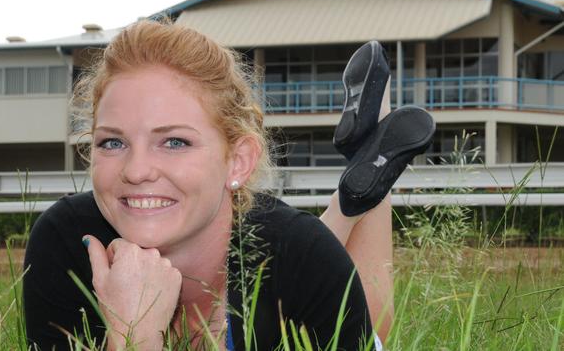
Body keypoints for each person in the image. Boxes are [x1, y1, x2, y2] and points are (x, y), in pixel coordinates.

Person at [23, 20, 434, 350]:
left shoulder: (304, 253)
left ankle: (366, 167)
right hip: (285, 255)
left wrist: (136, 339)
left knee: (372, 325)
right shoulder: (66, 244)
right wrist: (135, 331)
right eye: (113, 142)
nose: (137, 170)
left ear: (238, 160)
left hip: (294, 253)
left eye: (174, 142)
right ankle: (360, 174)